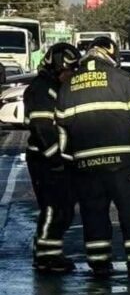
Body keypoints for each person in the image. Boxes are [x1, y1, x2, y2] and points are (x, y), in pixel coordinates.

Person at [56, 37, 130, 277]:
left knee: (93, 212)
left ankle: (99, 264)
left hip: (85, 163)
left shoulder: (70, 85)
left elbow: (61, 121)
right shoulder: (121, 79)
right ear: (111, 55)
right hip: (122, 161)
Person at [24, 43, 80, 274]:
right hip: (44, 159)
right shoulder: (42, 89)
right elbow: (42, 128)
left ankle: (51, 251)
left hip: (58, 158)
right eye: (68, 70)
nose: (71, 75)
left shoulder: (56, 87)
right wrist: (55, 159)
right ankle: (46, 256)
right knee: (53, 207)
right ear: (56, 67)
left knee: (63, 208)